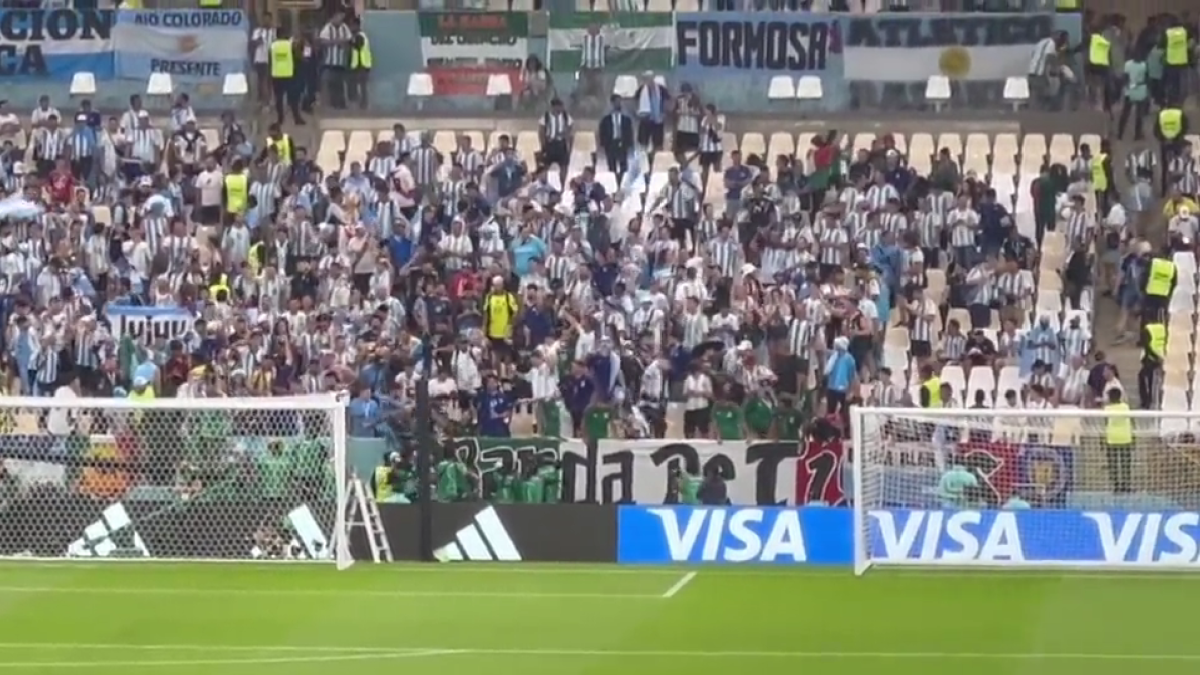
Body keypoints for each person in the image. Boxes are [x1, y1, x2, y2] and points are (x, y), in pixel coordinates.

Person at [269, 30, 303, 126]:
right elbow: (297, 57)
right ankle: (297, 118)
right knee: (293, 98)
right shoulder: (290, 45)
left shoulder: (273, 46)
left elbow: (270, 59)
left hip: (276, 75)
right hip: (289, 74)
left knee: (278, 98)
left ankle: (280, 119)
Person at [1104, 388, 1134, 493]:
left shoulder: (1107, 409)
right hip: (1126, 438)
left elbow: (1105, 423)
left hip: (1112, 438)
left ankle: (1116, 485)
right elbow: (1132, 421)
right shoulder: (1126, 407)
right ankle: (1127, 485)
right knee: (1126, 464)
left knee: (1113, 464)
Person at [1155, 104, 1188, 191]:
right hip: (1176, 143)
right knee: (1178, 164)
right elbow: (1185, 128)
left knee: (1164, 166)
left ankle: (1163, 188)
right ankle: (1178, 186)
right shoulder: (1179, 113)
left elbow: (1156, 131)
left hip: (1165, 143)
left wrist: (1162, 138)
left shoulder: (1161, 115)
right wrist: (1178, 136)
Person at [1140, 251, 1177, 324]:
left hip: (1150, 293)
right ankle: (1162, 332)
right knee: (1162, 318)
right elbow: (1174, 282)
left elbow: (1145, 276)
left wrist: (1142, 288)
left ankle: (1146, 333)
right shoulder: (1172, 267)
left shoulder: (1153, 263)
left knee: (1147, 316)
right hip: (1164, 296)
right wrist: (1169, 294)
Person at [1138, 319, 1165, 410]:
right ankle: (1149, 400)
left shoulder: (1147, 329)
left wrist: (1156, 357)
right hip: (1162, 356)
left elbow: (1147, 346)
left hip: (1151, 359)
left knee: (1145, 378)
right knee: (1151, 380)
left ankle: (1146, 402)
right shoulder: (1163, 328)